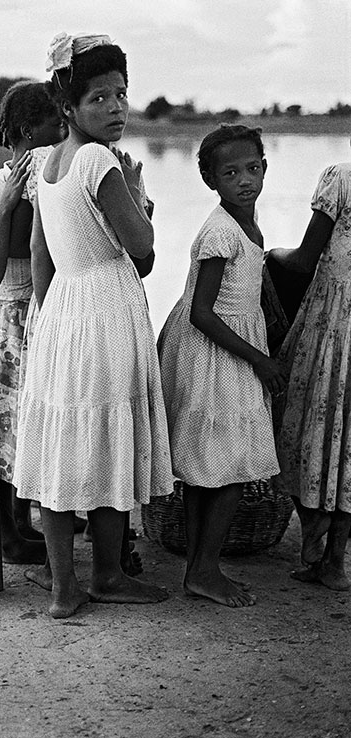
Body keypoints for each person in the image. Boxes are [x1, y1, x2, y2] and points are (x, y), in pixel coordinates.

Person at [14, 33, 173, 618]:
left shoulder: (43, 162)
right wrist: (137, 195)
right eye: (99, 97)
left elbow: (40, 253)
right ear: (69, 107)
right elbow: (145, 252)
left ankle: (63, 588)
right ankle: (105, 574)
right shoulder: (99, 161)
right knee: (106, 442)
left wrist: (49, 318)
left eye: (122, 95)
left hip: (63, 312)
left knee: (64, 445)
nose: (116, 108)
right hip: (104, 308)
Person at [158, 124, 286, 607]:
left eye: (252, 169)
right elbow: (201, 311)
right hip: (217, 351)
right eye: (230, 173)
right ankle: (205, 568)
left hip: (229, 345)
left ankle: (199, 568)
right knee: (228, 468)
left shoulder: (246, 224)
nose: (244, 180)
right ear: (210, 180)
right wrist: (261, 359)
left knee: (210, 465)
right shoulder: (219, 230)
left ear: (265, 169)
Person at [0, 80, 66, 565]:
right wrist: (8, 206)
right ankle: (8, 532)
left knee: (30, 424)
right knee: (3, 426)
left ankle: (23, 524)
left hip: (41, 314)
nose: (63, 131)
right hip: (8, 320)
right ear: (28, 131)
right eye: (54, 125)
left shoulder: (51, 183)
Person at [268, 160, 351, 591]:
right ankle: (334, 561)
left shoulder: (340, 176)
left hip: (333, 328)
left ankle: (315, 539)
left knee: (307, 427)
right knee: (348, 444)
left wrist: (271, 255)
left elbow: (303, 260)